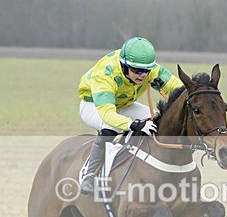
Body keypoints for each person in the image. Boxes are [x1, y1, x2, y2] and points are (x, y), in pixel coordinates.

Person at [77, 36, 183, 194]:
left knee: (156, 121)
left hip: (124, 105)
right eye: (137, 71)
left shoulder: (149, 69)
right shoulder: (105, 74)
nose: (142, 75)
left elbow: (180, 89)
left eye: (146, 71)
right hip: (94, 105)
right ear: (124, 65)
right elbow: (107, 113)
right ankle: (89, 175)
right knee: (110, 127)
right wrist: (133, 124)